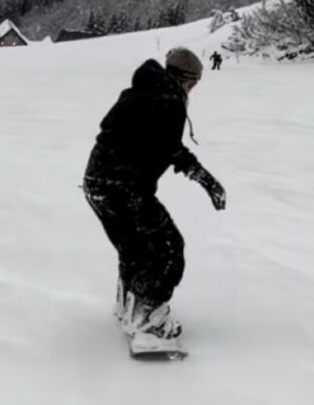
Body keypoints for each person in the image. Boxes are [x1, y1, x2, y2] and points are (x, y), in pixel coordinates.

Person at [83, 47, 226, 342]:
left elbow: (154, 142)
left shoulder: (144, 91)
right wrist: (206, 180)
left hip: (98, 184)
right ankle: (148, 320)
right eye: (194, 83)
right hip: (122, 187)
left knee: (135, 248)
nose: (193, 90)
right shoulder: (168, 100)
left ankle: (130, 308)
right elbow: (169, 148)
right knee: (167, 248)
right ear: (187, 80)